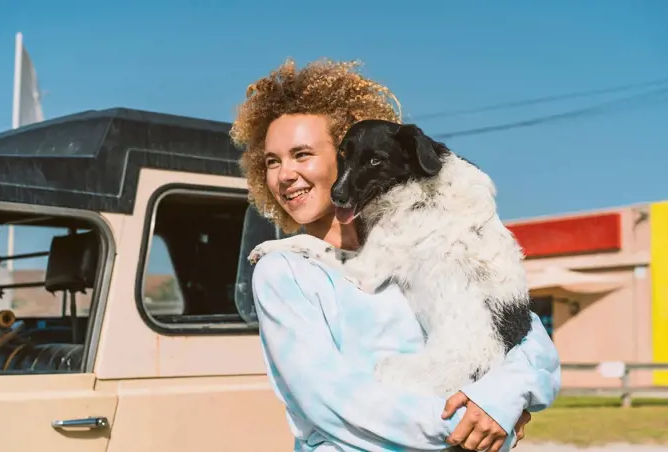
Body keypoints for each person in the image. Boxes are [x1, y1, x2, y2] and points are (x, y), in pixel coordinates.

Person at [230, 58, 561, 452]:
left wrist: (500, 402)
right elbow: (329, 402)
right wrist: (468, 426)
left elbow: (530, 342)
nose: (284, 174)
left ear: (348, 155)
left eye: (302, 155)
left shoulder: (419, 237)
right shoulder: (283, 270)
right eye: (272, 161)